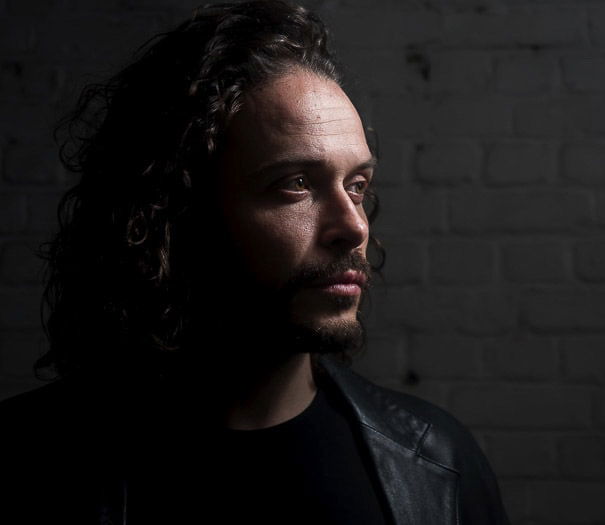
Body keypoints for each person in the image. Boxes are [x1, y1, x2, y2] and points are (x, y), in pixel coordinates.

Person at [0, 1, 510, 523]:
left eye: (357, 186)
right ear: (175, 212)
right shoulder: (25, 468)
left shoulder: (436, 465)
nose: (354, 226)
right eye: (296, 184)